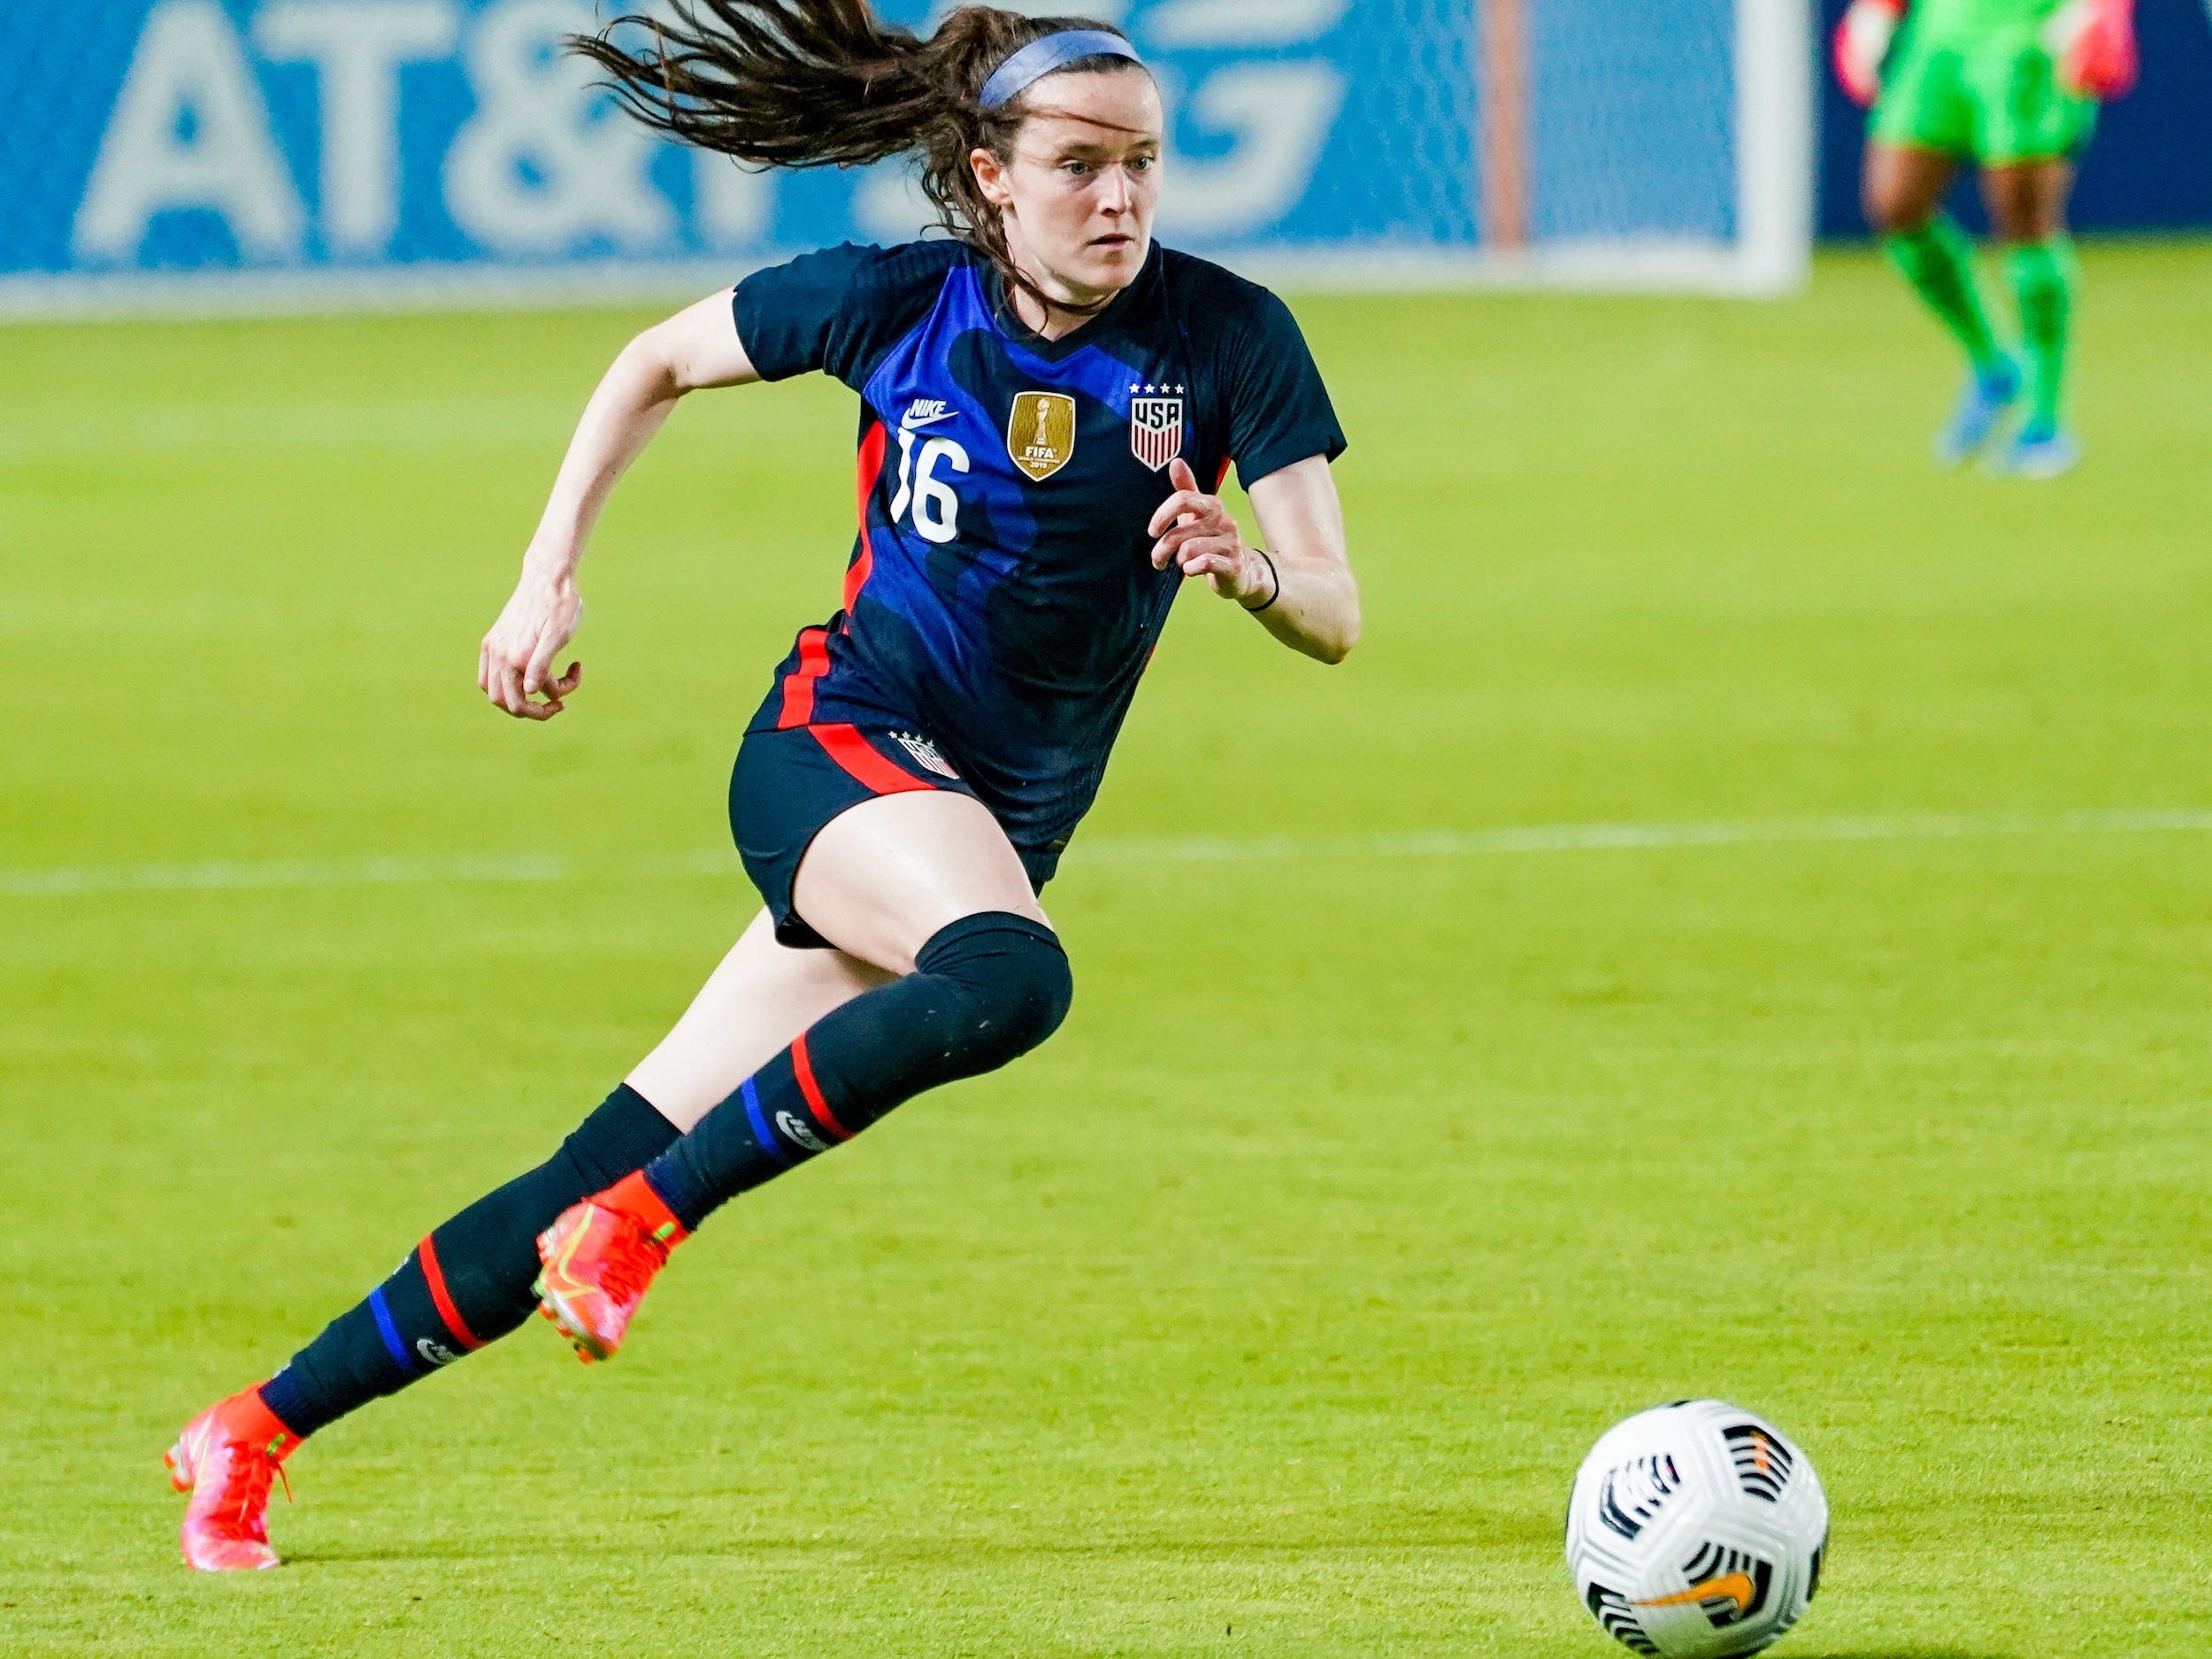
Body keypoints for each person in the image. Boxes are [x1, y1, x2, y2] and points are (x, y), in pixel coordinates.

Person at [162, 0, 1358, 1572]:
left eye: (1141, 162)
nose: (1120, 198)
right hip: (834, 749)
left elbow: (1336, 610)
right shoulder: (895, 304)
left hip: (968, 830)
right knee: (1011, 978)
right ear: (991, 174)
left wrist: (1251, 568)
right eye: (1079, 165)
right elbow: (654, 357)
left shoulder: (1226, 337)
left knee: (588, 1160)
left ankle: (251, 1431)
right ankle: (651, 1224)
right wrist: (547, 577)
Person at [1835, 0, 2137, 474]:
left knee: (2024, 220)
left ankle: (2044, 421)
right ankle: (1994, 367)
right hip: (1941, 33)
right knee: (1895, 205)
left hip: (2029, 34)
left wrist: (2101, 10)